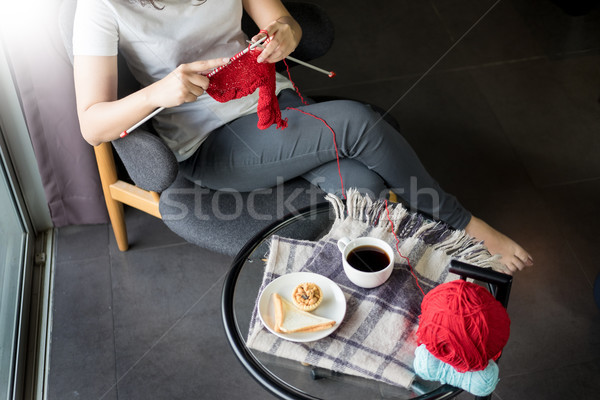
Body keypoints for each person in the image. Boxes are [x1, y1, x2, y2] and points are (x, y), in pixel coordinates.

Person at [72, 0, 533, 274]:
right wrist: (160, 92)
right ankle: (463, 225)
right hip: (209, 143)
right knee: (355, 122)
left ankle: (353, 297)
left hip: (273, 102)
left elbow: (283, 22)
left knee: (363, 185)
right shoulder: (101, 6)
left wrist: (283, 36)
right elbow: (92, 123)